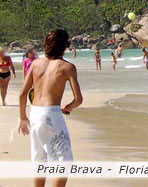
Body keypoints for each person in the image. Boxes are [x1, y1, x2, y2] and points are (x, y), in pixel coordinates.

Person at [19, 28, 83, 187]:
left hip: (34, 113)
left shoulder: (35, 64)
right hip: (51, 114)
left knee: (39, 158)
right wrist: (68, 107)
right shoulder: (67, 67)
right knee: (64, 161)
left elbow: (22, 94)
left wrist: (22, 117)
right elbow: (78, 99)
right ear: (65, 46)